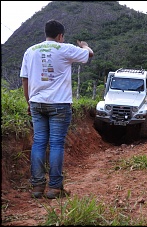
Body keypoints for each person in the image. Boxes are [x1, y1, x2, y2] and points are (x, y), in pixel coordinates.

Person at [20, 19, 94, 199]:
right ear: (60, 36)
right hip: (59, 104)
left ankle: (37, 187)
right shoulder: (65, 48)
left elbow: (25, 79)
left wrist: (29, 102)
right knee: (56, 144)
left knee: (38, 143)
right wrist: (84, 45)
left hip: (37, 102)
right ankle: (54, 188)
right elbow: (89, 55)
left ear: (46, 33)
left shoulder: (30, 51)